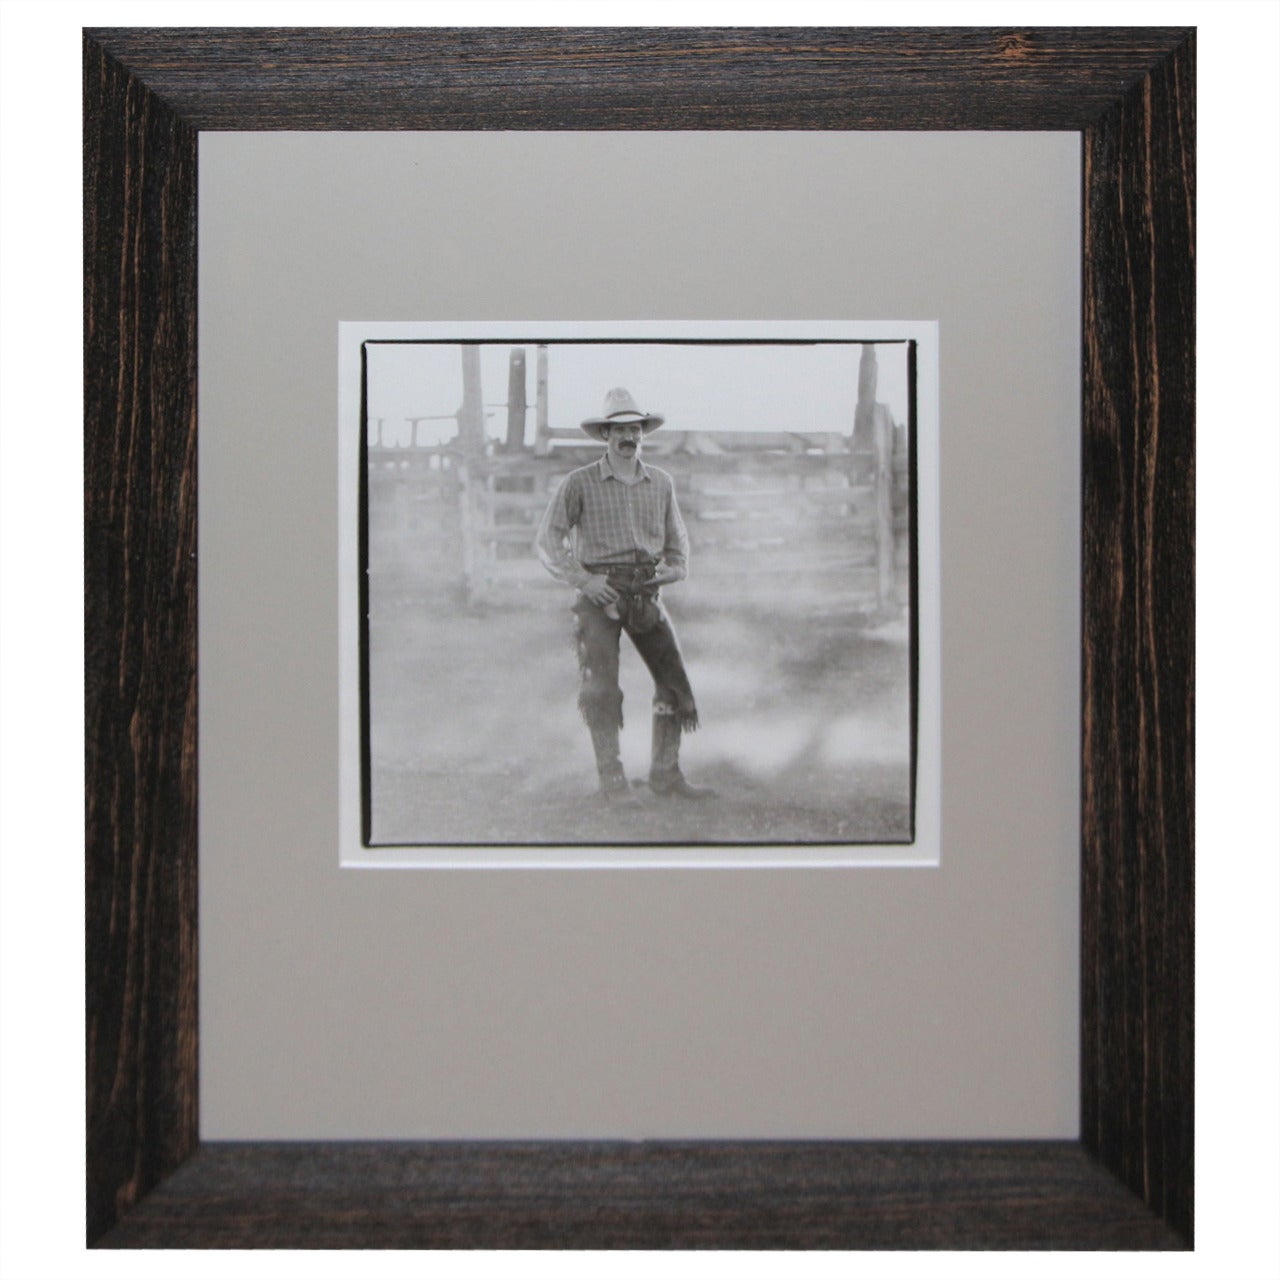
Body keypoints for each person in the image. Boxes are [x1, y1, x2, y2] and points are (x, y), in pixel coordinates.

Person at [535, 387, 713, 804]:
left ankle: (666, 774)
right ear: (605, 435)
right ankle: (611, 781)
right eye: (619, 429)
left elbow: (677, 538)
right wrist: (584, 580)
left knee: (673, 682)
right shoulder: (579, 483)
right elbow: (548, 540)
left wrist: (676, 567)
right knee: (602, 688)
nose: (628, 436)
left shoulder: (661, 483)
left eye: (634, 428)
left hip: (646, 592)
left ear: (643, 433)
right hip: (600, 592)